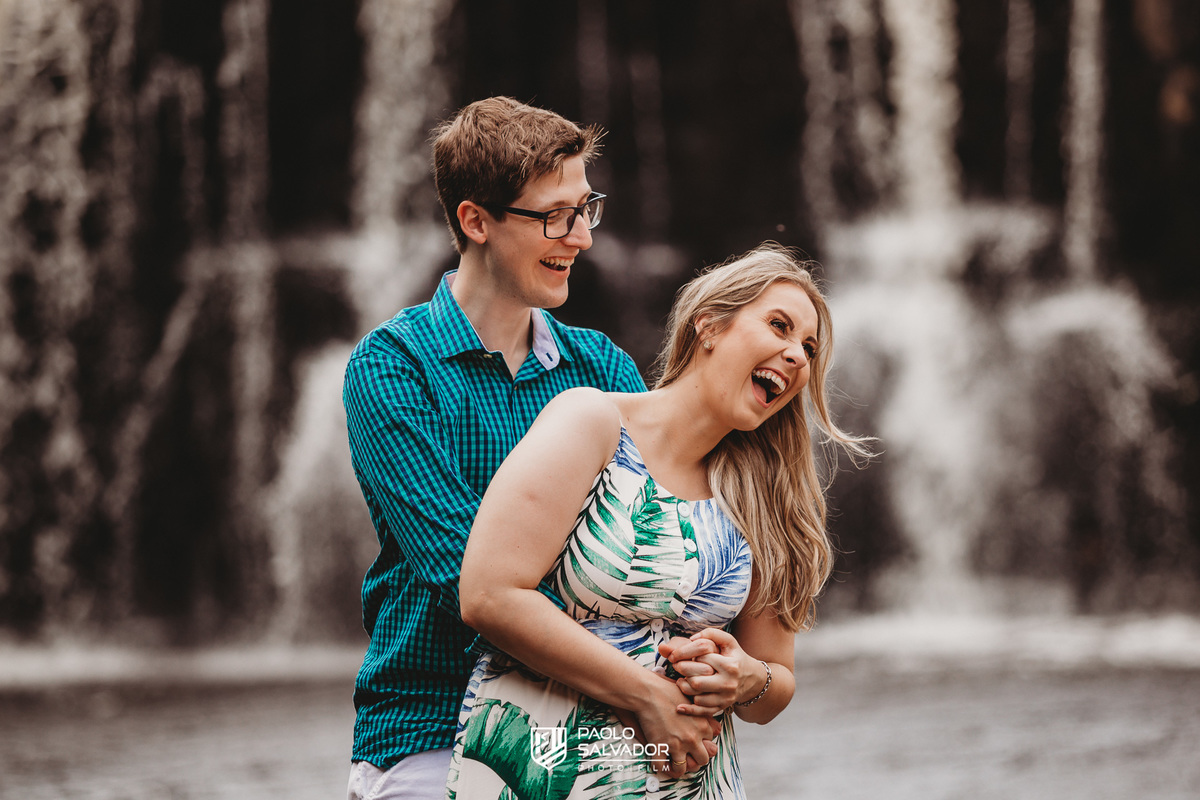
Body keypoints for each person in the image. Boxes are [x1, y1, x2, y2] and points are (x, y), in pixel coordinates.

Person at [450, 243, 872, 798]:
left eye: (809, 347)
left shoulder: (763, 499)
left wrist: (747, 678)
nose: (797, 355)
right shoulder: (591, 423)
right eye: (778, 326)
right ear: (710, 325)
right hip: (544, 769)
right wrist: (649, 695)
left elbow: (775, 683)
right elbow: (489, 594)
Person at [343, 97, 653, 800]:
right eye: (553, 216)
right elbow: (465, 577)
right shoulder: (392, 368)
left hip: (590, 722)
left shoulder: (602, 368)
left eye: (586, 207)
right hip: (434, 729)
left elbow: (660, 536)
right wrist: (635, 659)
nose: (581, 238)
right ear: (474, 220)